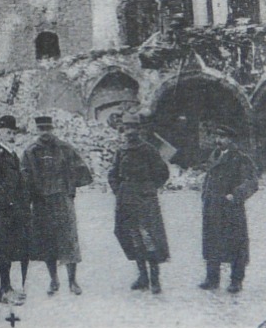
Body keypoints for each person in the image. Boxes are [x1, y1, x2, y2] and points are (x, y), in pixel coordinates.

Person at [21, 115, 93, 296]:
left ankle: (72, 281)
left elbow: (84, 172)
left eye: (48, 129)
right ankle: (53, 280)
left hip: (62, 201)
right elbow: (24, 177)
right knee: (47, 242)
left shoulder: (65, 149)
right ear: (37, 130)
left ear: (53, 129)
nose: (45, 133)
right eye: (41, 129)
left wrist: (69, 187)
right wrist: (29, 193)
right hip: (41, 203)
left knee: (68, 241)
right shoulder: (31, 152)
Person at [108, 113, 171, 294]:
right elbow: (113, 174)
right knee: (134, 238)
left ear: (139, 130)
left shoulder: (148, 150)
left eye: (133, 128)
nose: (130, 132)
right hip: (126, 199)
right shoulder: (121, 151)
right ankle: (142, 277)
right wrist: (118, 189)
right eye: (127, 128)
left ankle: (155, 279)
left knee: (149, 237)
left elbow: (162, 172)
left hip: (145, 200)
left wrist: (150, 188)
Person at [199, 123, 260, 293]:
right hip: (212, 207)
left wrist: (236, 195)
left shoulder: (240, 158)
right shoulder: (214, 156)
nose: (218, 141)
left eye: (223, 137)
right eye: (217, 137)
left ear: (231, 140)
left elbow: (252, 182)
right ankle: (212, 278)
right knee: (212, 242)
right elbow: (209, 179)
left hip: (231, 207)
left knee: (236, 244)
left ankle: (236, 280)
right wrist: (205, 195)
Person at [0, 115, 31, 305]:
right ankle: (4, 290)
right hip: (2, 212)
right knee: (3, 251)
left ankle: (9, 288)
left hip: (15, 212)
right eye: (7, 132)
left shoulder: (13, 156)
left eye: (13, 133)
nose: (10, 136)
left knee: (11, 249)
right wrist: (10, 202)